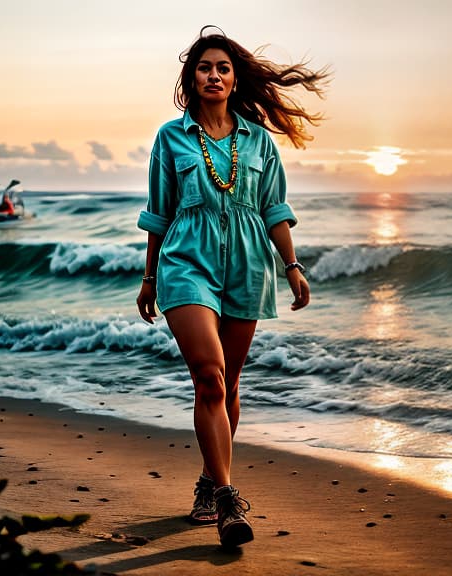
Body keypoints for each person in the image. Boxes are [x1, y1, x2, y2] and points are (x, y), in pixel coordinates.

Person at [136, 26, 328, 548]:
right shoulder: (170, 138)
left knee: (231, 384)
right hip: (186, 261)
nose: (214, 75)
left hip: (248, 265)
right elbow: (158, 213)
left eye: (222, 68)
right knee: (210, 376)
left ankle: (206, 482)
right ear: (191, 79)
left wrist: (293, 266)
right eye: (204, 68)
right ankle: (226, 500)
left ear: (234, 78)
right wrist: (150, 276)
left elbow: (274, 209)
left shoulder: (259, 141)